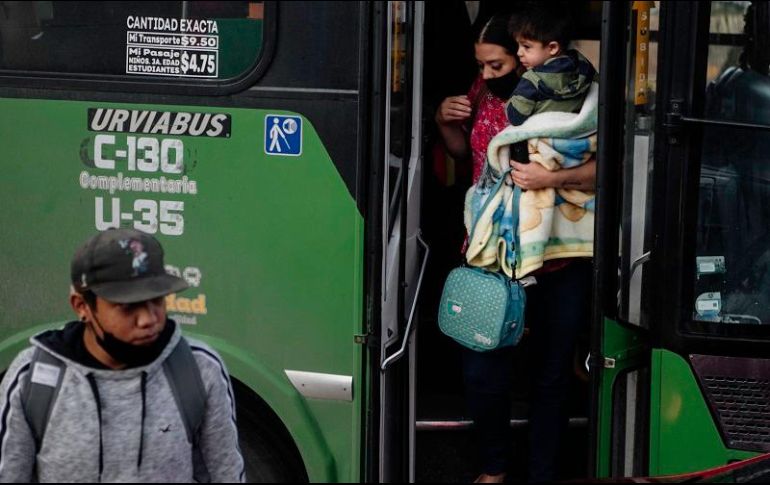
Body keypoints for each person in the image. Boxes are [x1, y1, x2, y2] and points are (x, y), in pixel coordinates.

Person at [437, 11, 597, 484]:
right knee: (483, 371)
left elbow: (606, 169)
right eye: (481, 66)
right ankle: (494, 467)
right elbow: (464, 156)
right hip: (490, 260)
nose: (485, 77)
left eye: (498, 66)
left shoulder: (575, 99)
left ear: (530, 57)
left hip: (559, 260)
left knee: (551, 376)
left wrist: (552, 178)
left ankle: (542, 472)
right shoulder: (482, 93)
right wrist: (442, 121)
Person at [0, 228, 245, 482]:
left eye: (157, 300)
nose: (149, 319)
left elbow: (226, 475)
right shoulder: (33, 379)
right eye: (128, 307)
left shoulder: (199, 369)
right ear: (82, 306)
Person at [505, 6, 598, 167]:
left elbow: (516, 117)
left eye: (526, 47)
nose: (519, 52)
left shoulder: (531, 80)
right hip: (578, 150)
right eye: (518, 46)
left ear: (553, 48)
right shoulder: (584, 68)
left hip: (541, 155)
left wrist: (508, 104)